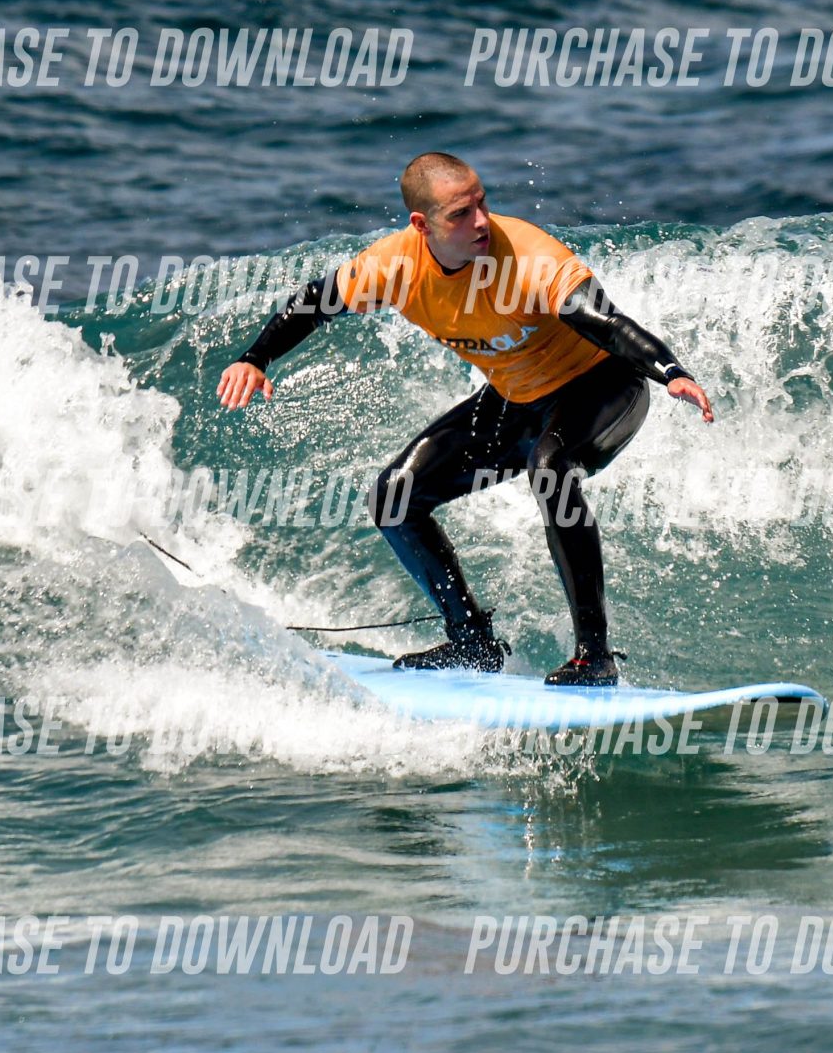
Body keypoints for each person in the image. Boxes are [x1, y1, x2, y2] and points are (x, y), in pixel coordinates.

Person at [219, 153, 713, 686]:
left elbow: (608, 323)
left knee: (551, 468)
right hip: (518, 398)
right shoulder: (394, 266)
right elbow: (315, 301)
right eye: (460, 213)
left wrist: (669, 371)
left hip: (604, 385)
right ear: (422, 224)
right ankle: (471, 641)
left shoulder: (526, 256)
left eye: (482, 202)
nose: (481, 221)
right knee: (393, 498)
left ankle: (594, 656)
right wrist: (254, 358)